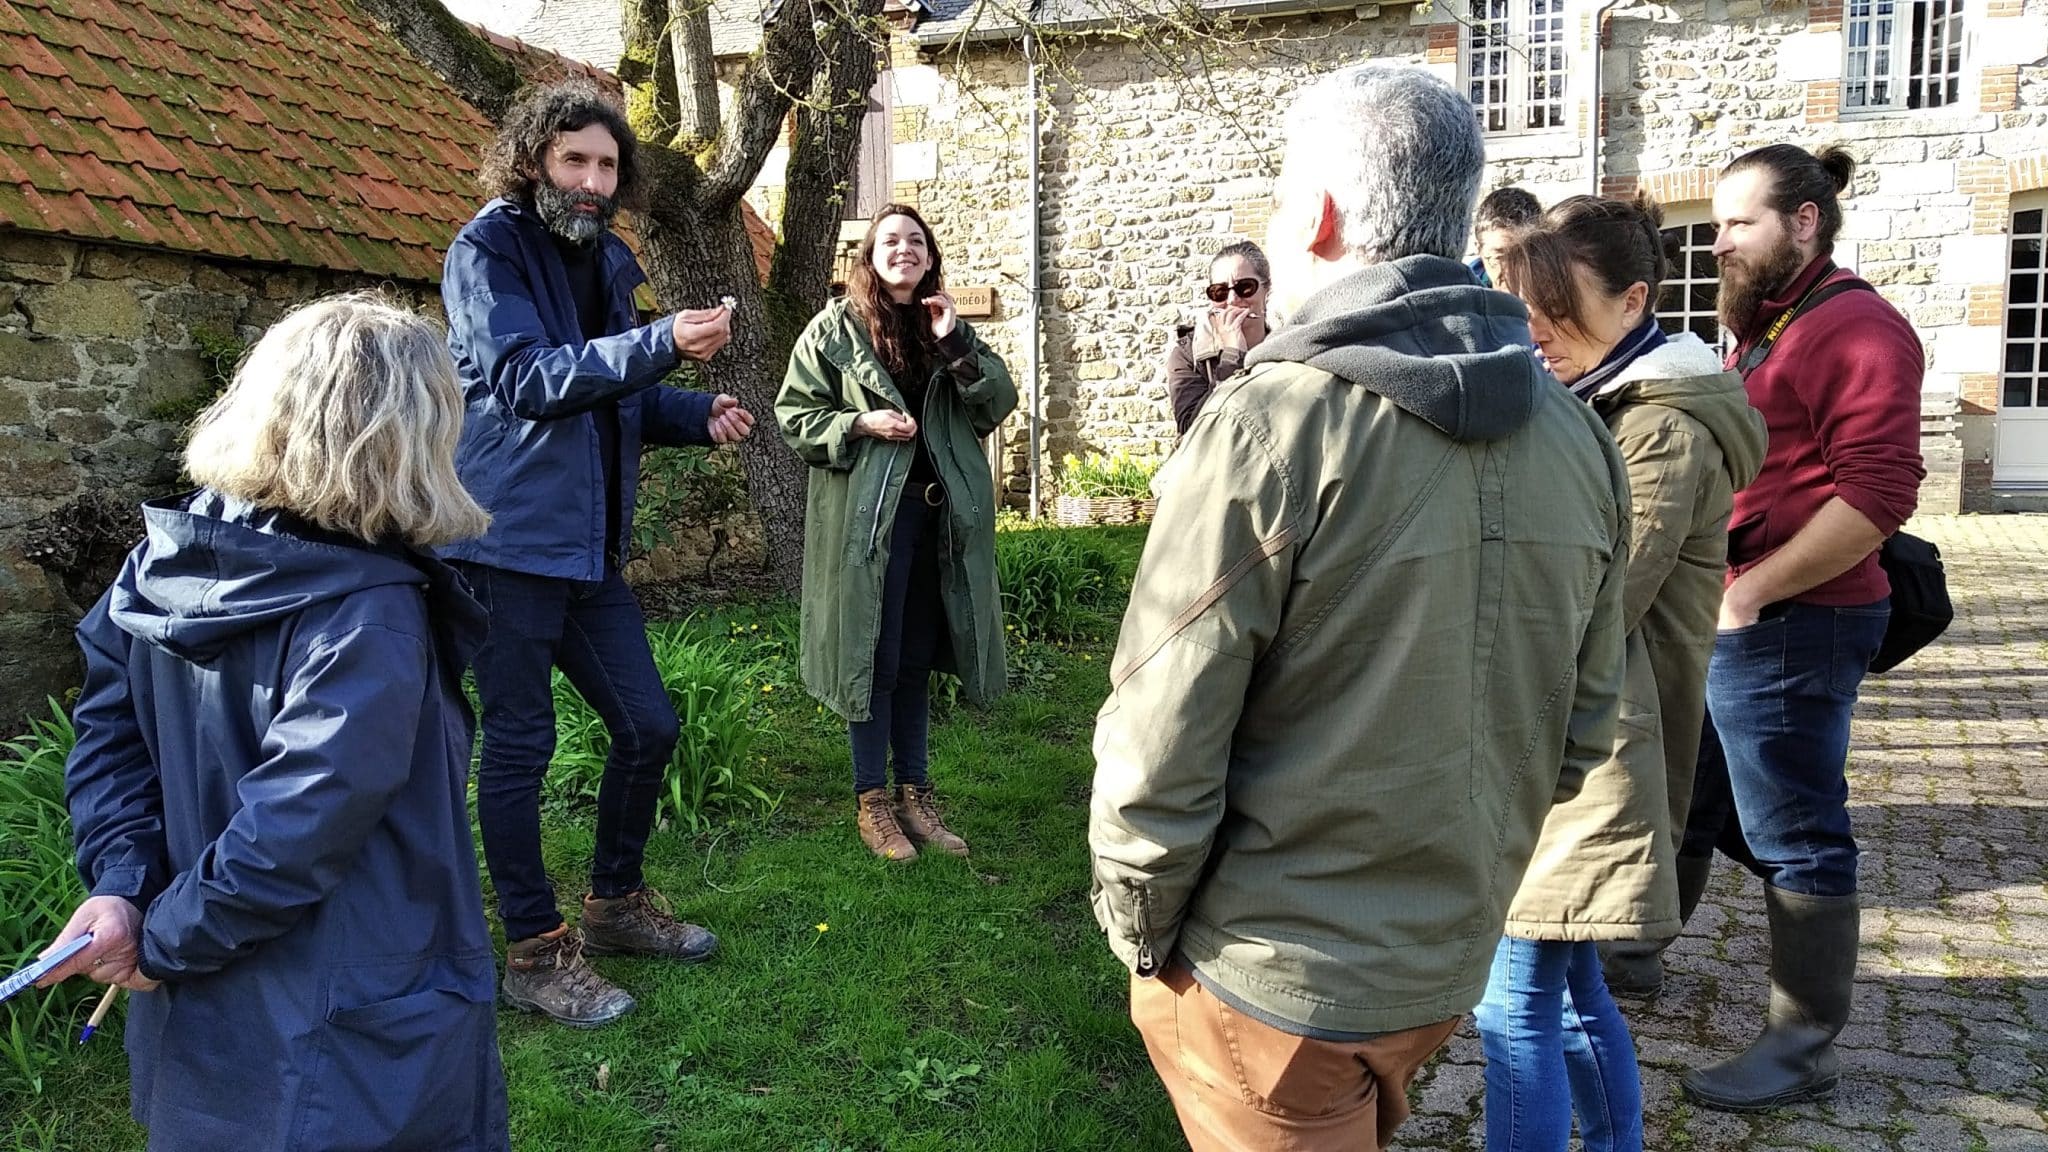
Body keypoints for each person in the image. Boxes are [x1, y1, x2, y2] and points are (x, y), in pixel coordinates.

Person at [1087, 64, 1631, 1152]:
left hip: (1268, 977)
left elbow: (1159, 739)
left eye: (1283, 195)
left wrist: (1145, 940)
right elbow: (1580, 725)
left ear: (1320, 216)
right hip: (1441, 956)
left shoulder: (1265, 426)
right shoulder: (1576, 435)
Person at [37, 294, 508, 1151]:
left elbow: (108, 744)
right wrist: (146, 921)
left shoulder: (164, 558)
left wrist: (130, 891)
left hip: (218, 986)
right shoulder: (369, 614)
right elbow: (293, 834)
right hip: (351, 1003)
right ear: (408, 433)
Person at [440, 80, 755, 1027]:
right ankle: (534, 953)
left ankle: (615, 905)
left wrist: (699, 413)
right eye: (573, 159)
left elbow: (613, 393)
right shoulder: (485, 250)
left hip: (587, 550)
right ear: (533, 158)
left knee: (649, 725)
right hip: (503, 547)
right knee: (522, 746)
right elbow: (530, 381)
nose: (590, 179)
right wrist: (661, 343)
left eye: (607, 164)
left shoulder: (610, 256)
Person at [1481, 194, 1766, 1151]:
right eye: (1526, 307)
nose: (1538, 333)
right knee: (1565, 989)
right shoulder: (1602, 396)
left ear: (1635, 298)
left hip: (1598, 748)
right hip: (1573, 738)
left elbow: (1592, 596)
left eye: (1560, 310)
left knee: (1512, 1001)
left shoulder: (1660, 426)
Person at [1679, 144, 1925, 1111]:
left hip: (1792, 625)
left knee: (1798, 834)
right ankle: (1638, 953)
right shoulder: (1771, 324)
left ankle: (1802, 1049)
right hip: (1743, 615)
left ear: (1805, 222)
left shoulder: (1858, 328)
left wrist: (1752, 593)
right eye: (1718, 225)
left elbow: (1878, 491)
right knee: (1693, 790)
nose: (1719, 243)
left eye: (1739, 224)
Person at [776, 204, 1018, 862]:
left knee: (914, 659)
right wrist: (860, 426)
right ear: (871, 255)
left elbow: (997, 402)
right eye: (891, 240)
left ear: (930, 255)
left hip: (936, 519)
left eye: (916, 240)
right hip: (867, 523)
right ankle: (872, 801)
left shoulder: (946, 327)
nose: (904, 249)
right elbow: (795, 415)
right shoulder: (835, 331)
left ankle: (916, 794)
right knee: (871, 658)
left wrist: (957, 343)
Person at [1165, 241, 1271, 434]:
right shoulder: (1188, 354)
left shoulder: (1287, 343)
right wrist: (1232, 357)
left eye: (1245, 287)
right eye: (1220, 292)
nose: (1232, 300)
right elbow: (1191, 430)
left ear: (1266, 289)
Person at [1470, 185, 1542, 287]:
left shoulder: (1560, 293)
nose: (1511, 274)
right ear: (1479, 250)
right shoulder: (1462, 297)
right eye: (1499, 258)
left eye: (1522, 257)